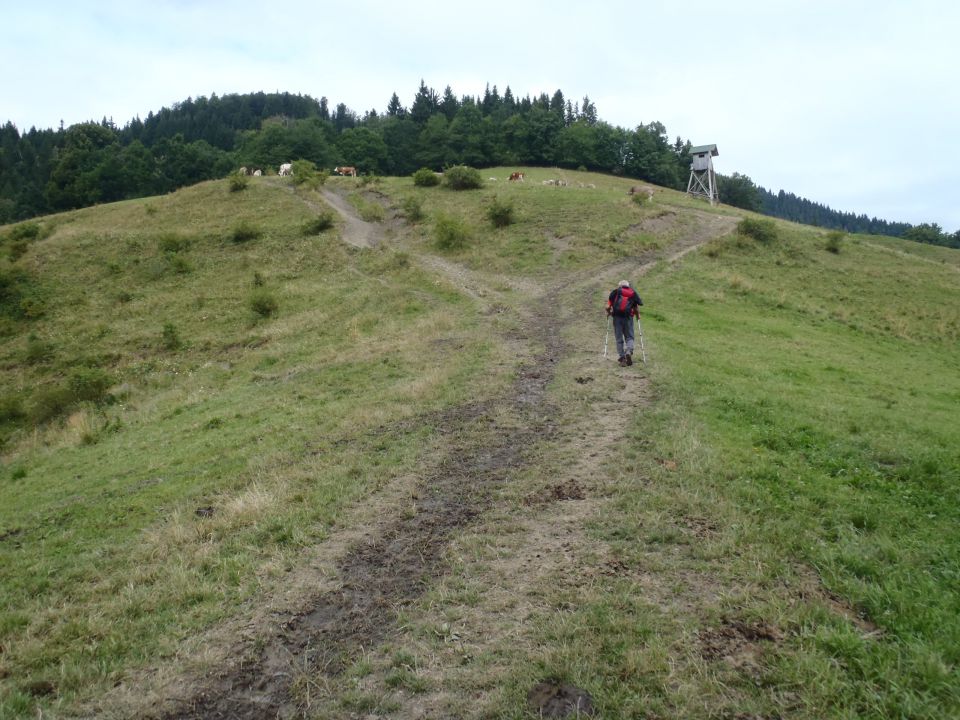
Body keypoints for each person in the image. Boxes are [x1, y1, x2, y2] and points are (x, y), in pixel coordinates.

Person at [606, 280, 642, 366]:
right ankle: (629, 351)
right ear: (628, 286)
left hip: (617, 318)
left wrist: (609, 313)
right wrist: (638, 316)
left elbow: (607, 307)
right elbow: (636, 308)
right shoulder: (632, 293)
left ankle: (622, 358)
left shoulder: (615, 293)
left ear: (619, 286)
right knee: (629, 337)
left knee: (619, 338)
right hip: (628, 318)